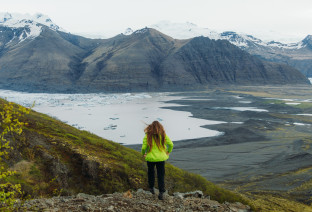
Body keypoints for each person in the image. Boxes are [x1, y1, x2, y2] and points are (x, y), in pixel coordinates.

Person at [141, 121, 174, 200]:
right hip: (161, 158)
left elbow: (143, 148)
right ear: (160, 127)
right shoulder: (163, 135)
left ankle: (151, 188)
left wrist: (144, 154)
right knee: (161, 175)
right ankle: (161, 192)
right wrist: (168, 152)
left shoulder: (147, 135)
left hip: (150, 158)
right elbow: (171, 144)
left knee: (151, 173)